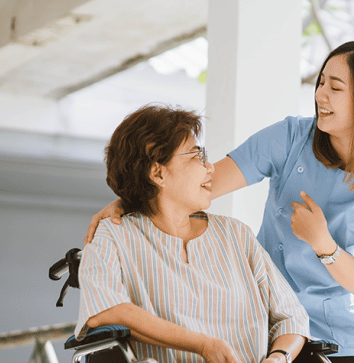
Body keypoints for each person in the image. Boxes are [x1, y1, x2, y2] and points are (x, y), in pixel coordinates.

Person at [86, 41, 354, 363]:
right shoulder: (290, 138)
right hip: (269, 326)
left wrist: (322, 243)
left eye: (335, 87)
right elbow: (197, 186)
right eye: (320, 83)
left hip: (339, 339)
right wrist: (131, 198)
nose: (320, 95)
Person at [76, 104, 310, 363]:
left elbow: (292, 317)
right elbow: (105, 310)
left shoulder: (236, 235)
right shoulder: (113, 236)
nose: (210, 167)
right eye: (196, 155)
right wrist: (202, 345)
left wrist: (279, 357)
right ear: (158, 173)